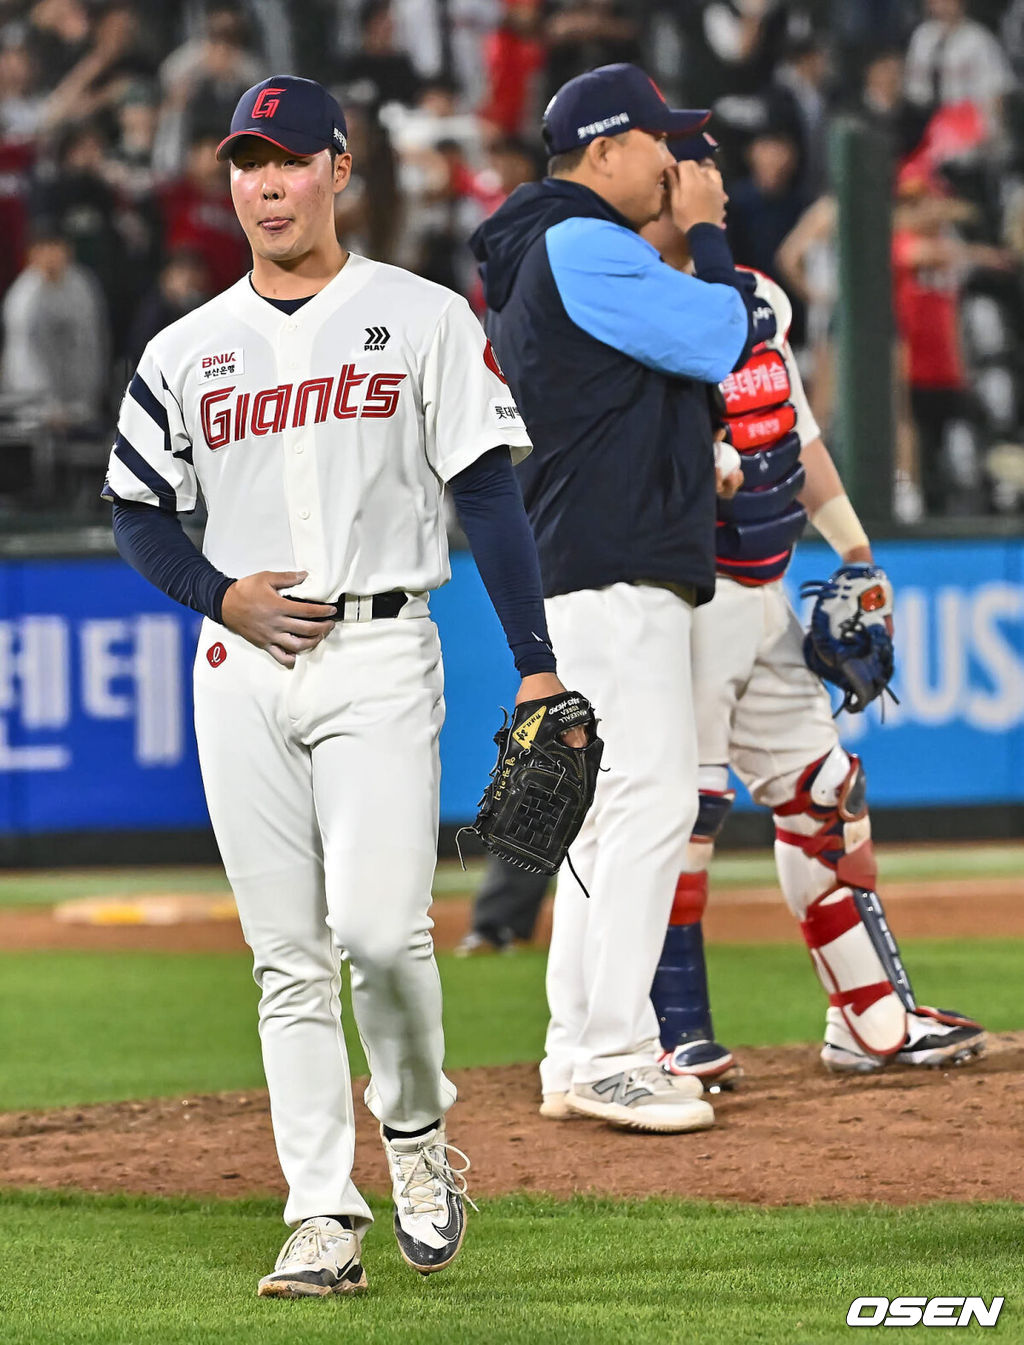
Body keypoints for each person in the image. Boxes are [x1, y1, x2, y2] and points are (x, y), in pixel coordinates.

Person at [103, 75, 587, 1298]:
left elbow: (485, 491)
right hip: (241, 664)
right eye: (245, 164)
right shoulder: (185, 347)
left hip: (379, 651)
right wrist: (221, 597)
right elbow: (134, 509)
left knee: (379, 934)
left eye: (286, 159)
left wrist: (534, 659)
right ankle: (321, 1211)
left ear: (338, 167)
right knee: (285, 959)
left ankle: (418, 1141)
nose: (264, 184)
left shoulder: (419, 316)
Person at [639, 131, 986, 1083]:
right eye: (685, 164)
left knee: (827, 792)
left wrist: (858, 550)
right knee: (687, 813)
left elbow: (799, 434)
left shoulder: (757, 299)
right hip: (686, 595)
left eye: (708, 159)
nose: (708, 172)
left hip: (765, 589)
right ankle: (672, 1033)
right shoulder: (625, 299)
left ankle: (870, 1017)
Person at [470, 63, 771, 1134]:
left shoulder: (553, 242)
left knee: (607, 817)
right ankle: (609, 1052)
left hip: (590, 555)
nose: (683, 164)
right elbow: (722, 333)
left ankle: (574, 1051)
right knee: (647, 801)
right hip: (612, 561)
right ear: (603, 151)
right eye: (663, 144)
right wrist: (708, 240)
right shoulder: (577, 239)